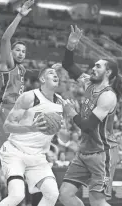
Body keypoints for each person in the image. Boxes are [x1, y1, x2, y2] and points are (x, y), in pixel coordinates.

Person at [59, 25, 122, 206]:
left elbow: (88, 126)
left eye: (98, 66)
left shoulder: (108, 96)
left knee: (97, 201)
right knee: (65, 194)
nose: (93, 68)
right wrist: (71, 45)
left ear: (108, 73)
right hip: (85, 151)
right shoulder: (89, 83)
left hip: (103, 153)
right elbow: (68, 65)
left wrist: (72, 113)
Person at [0, 67, 64, 206]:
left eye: (56, 73)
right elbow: (7, 125)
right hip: (15, 152)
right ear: (42, 79)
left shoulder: (61, 103)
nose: (55, 75)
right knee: (16, 195)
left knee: (52, 193)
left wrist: (60, 127)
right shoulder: (29, 97)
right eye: (51, 73)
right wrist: (31, 128)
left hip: (37, 156)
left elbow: (61, 134)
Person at [0, 0, 34, 174]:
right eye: (17, 50)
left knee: (10, 168)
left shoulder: (23, 70)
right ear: (11, 52)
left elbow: (39, 73)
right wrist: (20, 15)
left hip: (16, 118)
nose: (20, 53)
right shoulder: (8, 64)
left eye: (23, 51)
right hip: (2, 116)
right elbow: (5, 39)